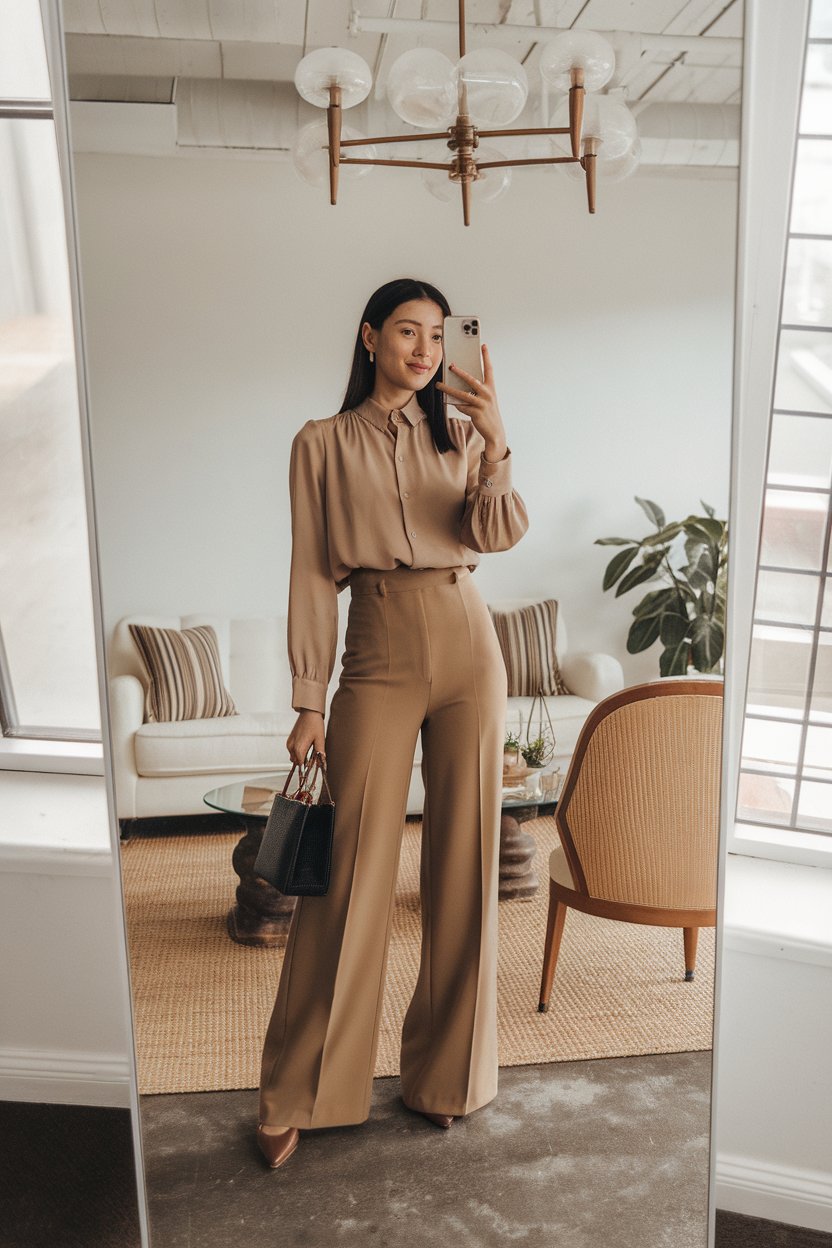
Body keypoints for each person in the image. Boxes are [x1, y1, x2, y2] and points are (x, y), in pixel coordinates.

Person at [257, 277, 529, 1169]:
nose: (424, 348)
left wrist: (497, 443)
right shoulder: (321, 444)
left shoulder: (459, 438)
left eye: (437, 335)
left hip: (466, 642)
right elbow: (308, 570)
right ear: (370, 338)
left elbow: (494, 532)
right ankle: (306, 1089)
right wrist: (308, 697)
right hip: (374, 645)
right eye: (407, 331)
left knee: (464, 861)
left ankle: (447, 1079)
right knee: (348, 869)